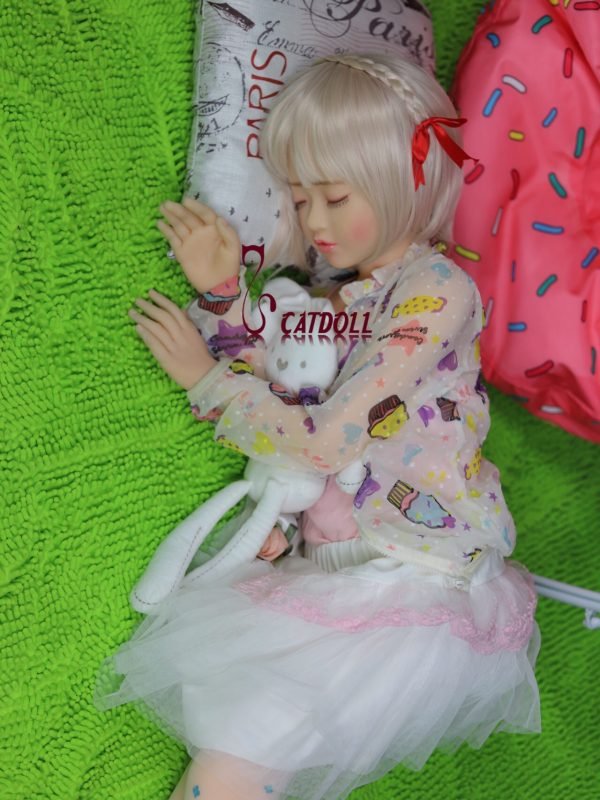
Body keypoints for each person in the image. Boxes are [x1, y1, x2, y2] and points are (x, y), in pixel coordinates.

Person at [97, 54, 541, 800]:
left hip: (409, 575)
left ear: (402, 179)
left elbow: (327, 436)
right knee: (242, 757)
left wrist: (206, 381)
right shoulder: (338, 297)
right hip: (336, 564)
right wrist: (222, 292)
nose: (313, 222)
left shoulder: (436, 291)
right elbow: (288, 383)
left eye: (334, 197)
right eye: (299, 199)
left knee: (241, 755)